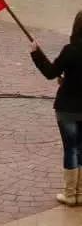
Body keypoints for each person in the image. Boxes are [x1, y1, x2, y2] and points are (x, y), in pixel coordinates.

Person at [30, 11, 82, 206]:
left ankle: (70, 195)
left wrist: (36, 54)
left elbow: (51, 73)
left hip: (67, 108)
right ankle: (81, 192)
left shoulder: (70, 50)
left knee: (70, 149)